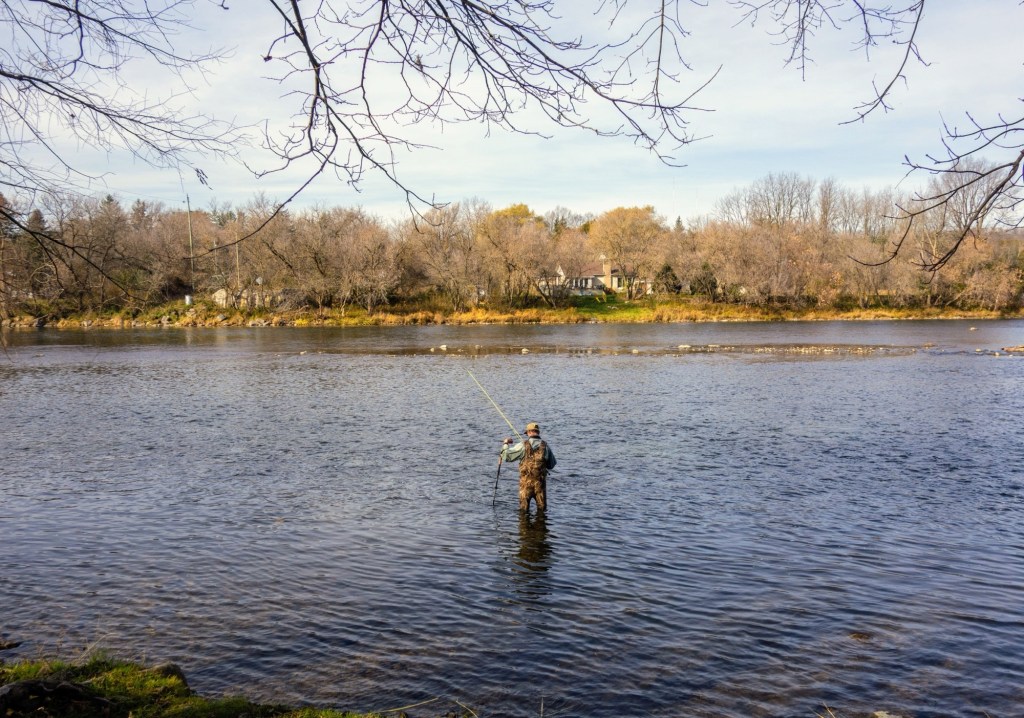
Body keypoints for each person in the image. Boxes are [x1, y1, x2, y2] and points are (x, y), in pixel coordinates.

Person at [501, 422, 556, 512]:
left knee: (523, 512)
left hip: (525, 487)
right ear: (538, 432)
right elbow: (551, 465)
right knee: (542, 512)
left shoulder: (522, 445)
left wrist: (505, 444)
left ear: (529, 432)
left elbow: (506, 456)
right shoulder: (546, 447)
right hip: (540, 486)